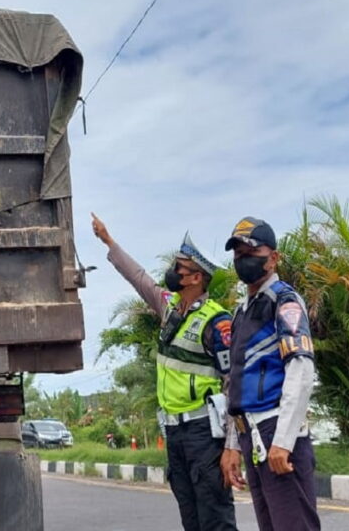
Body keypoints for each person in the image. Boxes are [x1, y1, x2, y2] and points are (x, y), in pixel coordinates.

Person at [91, 213, 237, 531]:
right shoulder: (169, 307)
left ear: (196, 278)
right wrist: (109, 241)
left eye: (179, 268)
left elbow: (232, 385)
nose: (173, 272)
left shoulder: (217, 321)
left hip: (205, 433)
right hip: (176, 435)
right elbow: (139, 278)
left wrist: (231, 447)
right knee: (191, 518)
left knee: (216, 517)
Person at [220, 217, 320, 531]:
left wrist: (284, 441)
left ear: (273, 257)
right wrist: (232, 444)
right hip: (252, 435)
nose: (243, 259)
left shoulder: (284, 301)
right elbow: (235, 385)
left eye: (251, 251)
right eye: (237, 254)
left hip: (276, 431)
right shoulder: (242, 311)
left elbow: (301, 369)